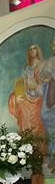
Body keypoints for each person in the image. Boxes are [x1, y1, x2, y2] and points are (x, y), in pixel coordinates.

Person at [40, 38, 55, 171]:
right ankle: (52, 159)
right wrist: (49, 78)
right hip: (51, 97)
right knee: (51, 131)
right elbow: (43, 77)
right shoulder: (51, 61)